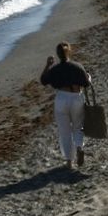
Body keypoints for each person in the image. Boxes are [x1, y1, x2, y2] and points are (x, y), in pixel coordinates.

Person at [40, 42, 91, 170]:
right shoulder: (77, 66)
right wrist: (89, 77)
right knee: (78, 127)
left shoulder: (55, 69)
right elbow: (86, 83)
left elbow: (43, 80)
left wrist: (48, 65)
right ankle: (79, 147)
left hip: (62, 98)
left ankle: (69, 161)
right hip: (76, 97)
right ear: (69, 52)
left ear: (58, 55)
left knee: (65, 131)